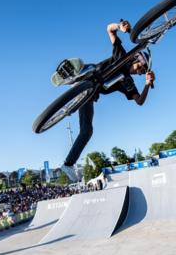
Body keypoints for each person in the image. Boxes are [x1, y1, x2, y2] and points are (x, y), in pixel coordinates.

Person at [60, 20, 156, 182]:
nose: (138, 72)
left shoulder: (129, 84)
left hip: (90, 96)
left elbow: (139, 101)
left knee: (87, 131)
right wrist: (119, 27)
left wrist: (146, 85)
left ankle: (68, 164)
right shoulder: (122, 56)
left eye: (141, 73)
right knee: (91, 70)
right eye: (140, 68)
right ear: (135, 60)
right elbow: (109, 30)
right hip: (88, 77)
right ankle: (75, 75)